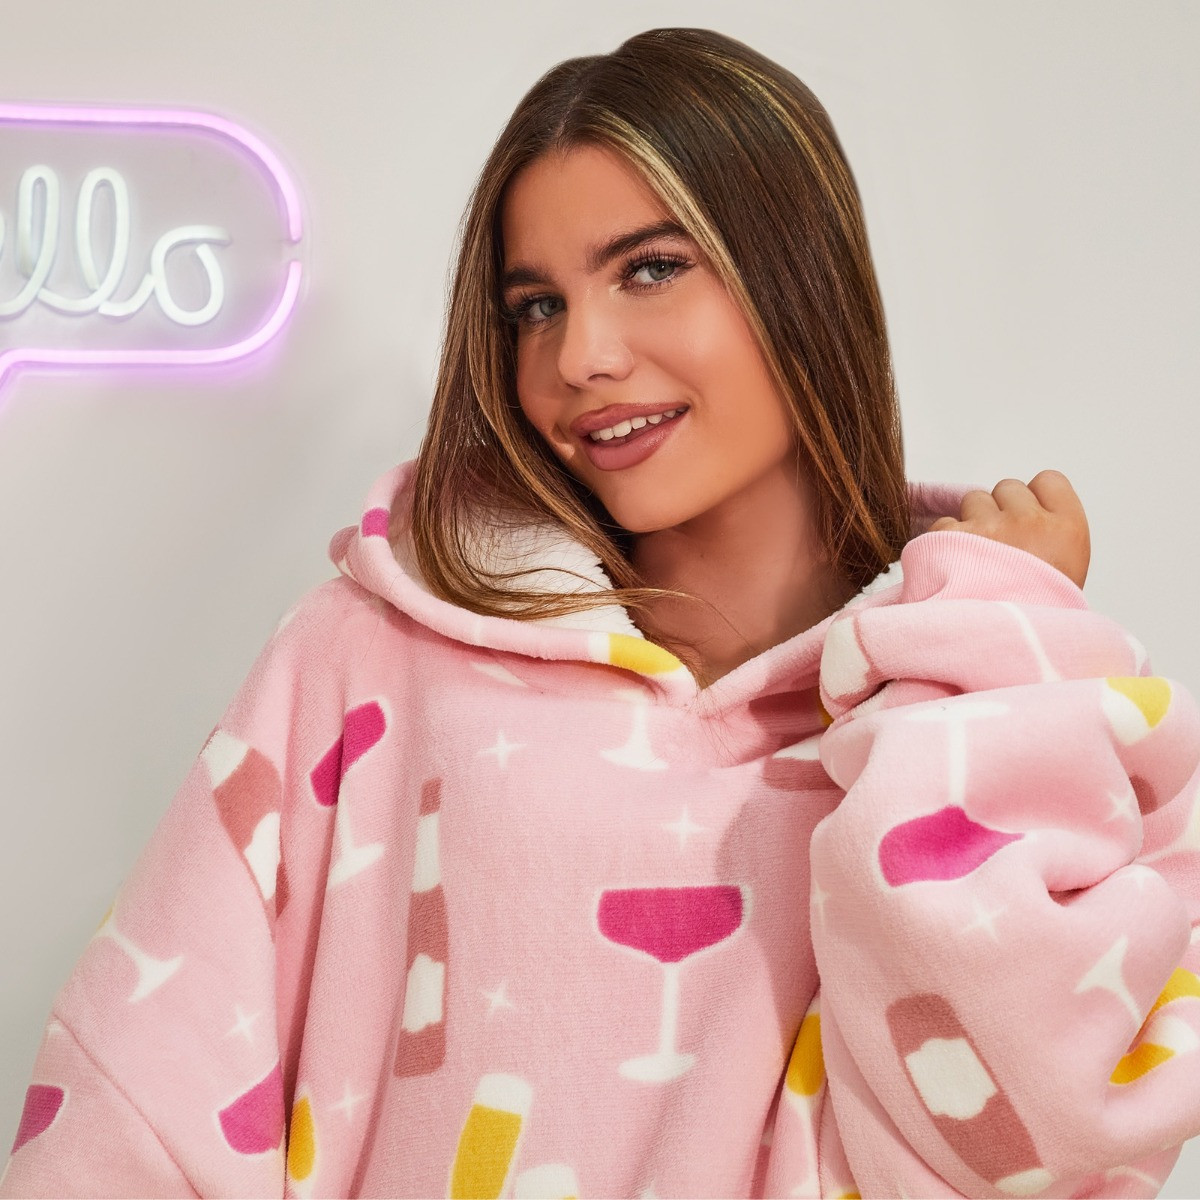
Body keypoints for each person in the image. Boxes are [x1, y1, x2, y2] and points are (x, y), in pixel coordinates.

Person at [3, 26, 1198, 1199]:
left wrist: (994, 644)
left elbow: (1041, 1141)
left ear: (801, 275)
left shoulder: (987, 681)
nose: (578, 356)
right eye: (534, 306)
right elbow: (132, 1105)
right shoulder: (367, 655)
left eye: (650, 269)